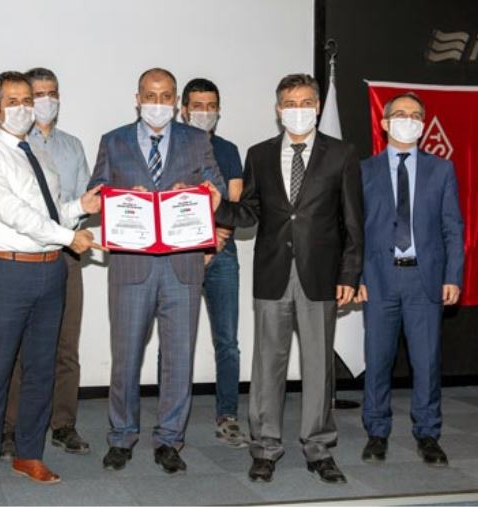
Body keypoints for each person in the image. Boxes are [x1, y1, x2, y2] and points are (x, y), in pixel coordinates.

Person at [212, 73, 363, 484]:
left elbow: (353, 220)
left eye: (306, 102)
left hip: (321, 274)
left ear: (317, 107)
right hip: (272, 272)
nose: (298, 110)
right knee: (267, 365)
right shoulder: (259, 154)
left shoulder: (342, 154)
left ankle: (319, 448)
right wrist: (217, 204)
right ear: (279, 110)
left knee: (319, 366)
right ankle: (265, 448)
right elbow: (249, 213)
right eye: (290, 104)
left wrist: (350, 273)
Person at [0, 71, 101, 497]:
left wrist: (80, 207)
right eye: (13, 101)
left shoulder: (37, 154)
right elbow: (10, 211)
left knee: (42, 369)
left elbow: (48, 211)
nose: (23, 108)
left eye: (28, 100)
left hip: (49, 270)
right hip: (5, 271)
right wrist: (68, 237)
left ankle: (29, 453)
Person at [88, 68, 225, 475]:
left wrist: (201, 196)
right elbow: (96, 192)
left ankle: (169, 439)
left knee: (179, 360)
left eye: (166, 96)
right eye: (151, 95)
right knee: (125, 358)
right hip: (132, 265)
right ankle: (121, 435)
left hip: (183, 266)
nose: (158, 103)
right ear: (137, 98)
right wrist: (122, 198)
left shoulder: (197, 140)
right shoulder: (113, 141)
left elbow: (217, 189)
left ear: (176, 101)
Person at [356, 92, 463, 467]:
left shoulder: (441, 169)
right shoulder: (364, 170)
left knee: (427, 361)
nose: (408, 119)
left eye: (415, 115)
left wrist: (453, 275)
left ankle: (428, 434)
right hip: (378, 279)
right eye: (400, 114)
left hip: (425, 279)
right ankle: (376, 432)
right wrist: (355, 276)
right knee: (378, 360)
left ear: (423, 124)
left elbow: (453, 227)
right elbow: (353, 229)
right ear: (385, 123)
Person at [1, 67, 92, 458]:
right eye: (37, 94)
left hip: (67, 255)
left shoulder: (72, 146)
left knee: (66, 345)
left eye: (52, 93)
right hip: (26, 257)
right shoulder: (11, 146)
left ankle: (63, 423)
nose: (45, 100)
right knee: (21, 348)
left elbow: (84, 201)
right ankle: (10, 427)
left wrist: (72, 225)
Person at [179, 77, 247, 448]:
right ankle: (172, 419)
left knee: (227, 341)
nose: (204, 112)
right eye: (197, 106)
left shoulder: (228, 149)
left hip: (222, 255)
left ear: (218, 110)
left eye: (211, 106)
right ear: (184, 110)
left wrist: (216, 241)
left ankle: (228, 416)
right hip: (179, 256)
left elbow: (234, 202)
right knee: (174, 341)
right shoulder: (170, 146)